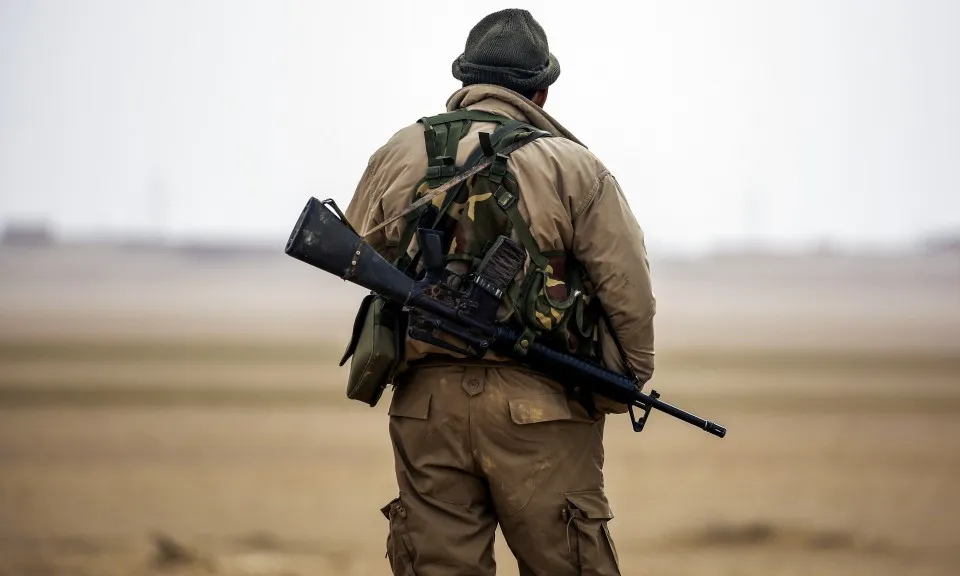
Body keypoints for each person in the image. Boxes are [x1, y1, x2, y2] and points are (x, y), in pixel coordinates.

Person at [344, 8, 655, 576]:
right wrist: (615, 387)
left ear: (466, 80)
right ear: (541, 92)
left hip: (427, 408)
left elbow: (360, 251)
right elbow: (627, 292)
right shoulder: (573, 166)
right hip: (544, 406)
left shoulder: (399, 152)